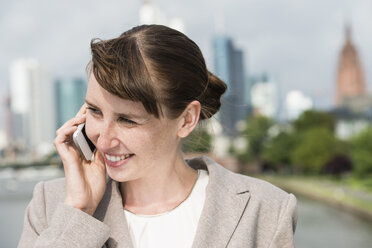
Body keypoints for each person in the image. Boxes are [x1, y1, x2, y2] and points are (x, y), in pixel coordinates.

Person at [18, 24, 297, 248]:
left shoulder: (266, 208)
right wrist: (77, 212)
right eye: (95, 111)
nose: (102, 141)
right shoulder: (53, 204)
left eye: (127, 120)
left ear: (187, 119)